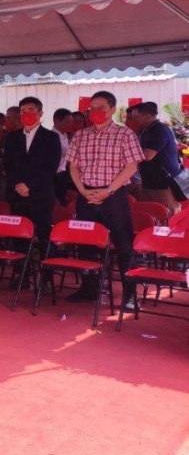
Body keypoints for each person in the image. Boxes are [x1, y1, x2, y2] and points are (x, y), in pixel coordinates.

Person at [65, 90, 144, 311]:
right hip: (87, 195)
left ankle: (130, 294)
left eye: (101, 108)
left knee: (123, 243)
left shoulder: (124, 134)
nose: (95, 112)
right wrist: (82, 190)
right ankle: (89, 288)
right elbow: (73, 166)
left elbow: (131, 166)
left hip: (114, 195)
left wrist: (108, 190)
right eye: (92, 108)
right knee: (86, 242)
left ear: (112, 110)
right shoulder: (81, 135)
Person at [3, 97, 62, 262]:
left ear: (40, 113)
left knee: (44, 234)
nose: (26, 114)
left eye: (31, 110)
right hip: (17, 194)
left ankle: (46, 271)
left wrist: (29, 185)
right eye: (23, 111)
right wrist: (18, 185)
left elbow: (50, 168)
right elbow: (8, 165)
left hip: (40, 194)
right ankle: (22, 270)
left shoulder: (51, 137)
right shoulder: (12, 138)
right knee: (19, 234)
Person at [133, 101, 181, 216]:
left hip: (163, 182)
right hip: (149, 180)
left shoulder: (160, 130)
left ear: (147, 115)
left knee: (166, 213)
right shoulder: (146, 130)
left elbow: (148, 155)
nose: (134, 120)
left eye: (135, 117)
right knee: (151, 213)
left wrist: (126, 157)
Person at [52, 107, 73, 204]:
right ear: (57, 121)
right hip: (54, 174)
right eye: (68, 122)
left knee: (62, 198)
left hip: (63, 172)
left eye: (71, 122)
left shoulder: (65, 136)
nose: (71, 125)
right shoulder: (51, 137)